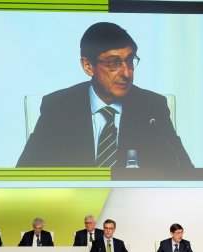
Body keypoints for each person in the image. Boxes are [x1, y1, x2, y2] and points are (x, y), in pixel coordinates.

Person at [16, 22, 193, 169]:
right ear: (88, 66)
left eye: (130, 61)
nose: (126, 73)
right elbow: (25, 173)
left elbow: (184, 169)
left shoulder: (152, 107)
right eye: (114, 63)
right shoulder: (58, 107)